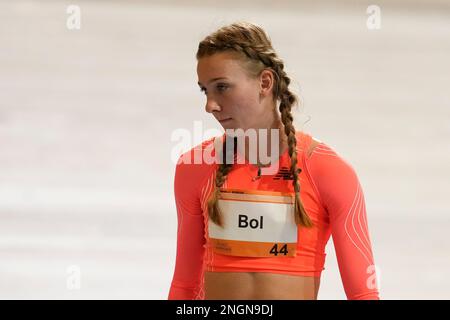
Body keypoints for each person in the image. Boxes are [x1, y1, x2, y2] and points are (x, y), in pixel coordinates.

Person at [168, 21, 380, 300]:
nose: (210, 105)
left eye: (222, 87)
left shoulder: (327, 171)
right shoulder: (195, 167)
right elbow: (185, 286)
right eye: (205, 90)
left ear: (265, 83)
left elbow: (363, 294)